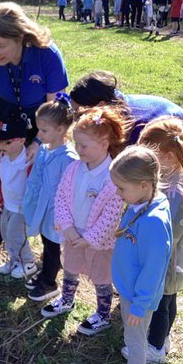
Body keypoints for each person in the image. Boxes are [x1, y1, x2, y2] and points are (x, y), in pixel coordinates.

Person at [0, 4, 69, 258]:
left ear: (19, 37)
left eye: (1, 45)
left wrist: (38, 141)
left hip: (43, 118)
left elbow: (56, 105)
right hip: (6, 119)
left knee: (43, 181)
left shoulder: (47, 55)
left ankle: (50, 252)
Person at [94, 145, 172, 364]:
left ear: (143, 184)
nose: (118, 193)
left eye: (121, 188)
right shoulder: (140, 203)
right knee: (133, 338)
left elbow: (153, 269)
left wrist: (139, 305)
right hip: (130, 290)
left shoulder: (153, 221)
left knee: (135, 342)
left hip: (138, 296)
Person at [42, 105, 129, 336]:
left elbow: (111, 215)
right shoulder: (74, 169)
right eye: (76, 144)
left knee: (101, 276)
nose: (78, 150)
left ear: (104, 144)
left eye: (83, 146)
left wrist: (90, 238)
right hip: (73, 233)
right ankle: (67, 299)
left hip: (99, 241)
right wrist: (67, 227)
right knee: (70, 267)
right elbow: (61, 197)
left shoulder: (112, 176)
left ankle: (103, 314)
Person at [136, 116, 183, 364]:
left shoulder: (175, 193)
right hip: (170, 258)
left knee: (160, 304)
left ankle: (155, 348)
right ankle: (163, 338)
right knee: (168, 300)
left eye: (151, 155)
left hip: (166, 259)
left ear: (168, 157)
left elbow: (170, 233)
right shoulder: (171, 178)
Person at [22, 96, 78, 303]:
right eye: (39, 129)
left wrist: (65, 217)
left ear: (61, 129)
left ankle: (50, 283)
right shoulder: (46, 149)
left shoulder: (68, 158)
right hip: (44, 206)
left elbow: (70, 191)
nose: (39, 134)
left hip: (57, 212)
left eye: (44, 131)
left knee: (53, 245)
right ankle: (46, 272)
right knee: (46, 242)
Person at [0, 109, 36, 279]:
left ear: (22, 140)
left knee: (17, 236)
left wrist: (30, 205)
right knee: (6, 234)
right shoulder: (1, 156)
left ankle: (28, 263)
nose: (2, 146)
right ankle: (15, 260)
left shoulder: (28, 160)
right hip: (6, 204)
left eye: (8, 142)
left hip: (21, 207)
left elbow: (35, 185)